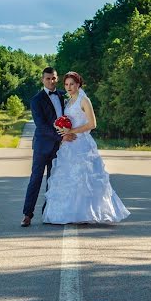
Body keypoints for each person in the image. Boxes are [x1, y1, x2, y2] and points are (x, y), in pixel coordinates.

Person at [43, 71, 131, 225]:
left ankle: (86, 213)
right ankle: (69, 213)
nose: (69, 87)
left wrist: (72, 131)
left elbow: (92, 124)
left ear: (78, 85)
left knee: (85, 179)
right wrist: (60, 127)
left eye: (72, 84)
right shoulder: (68, 102)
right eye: (66, 84)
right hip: (68, 144)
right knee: (69, 178)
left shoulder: (85, 100)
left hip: (82, 143)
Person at [21, 67, 77, 227]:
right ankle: (27, 214)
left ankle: (48, 213)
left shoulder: (62, 95)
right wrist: (62, 136)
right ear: (42, 80)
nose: (51, 81)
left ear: (57, 78)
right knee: (36, 179)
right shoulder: (36, 100)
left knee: (53, 181)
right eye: (48, 79)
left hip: (59, 147)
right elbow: (41, 126)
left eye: (53, 78)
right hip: (42, 146)